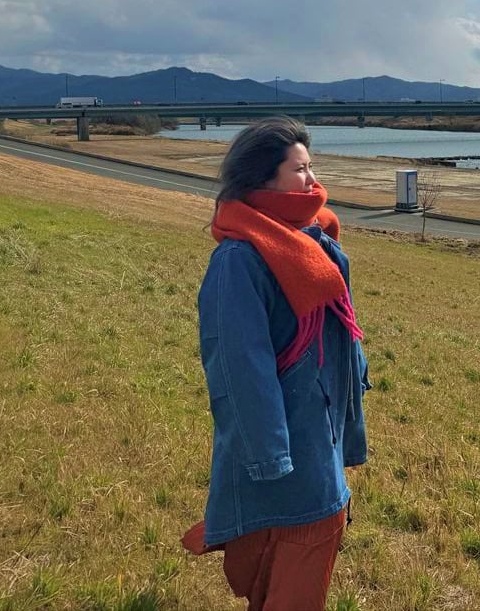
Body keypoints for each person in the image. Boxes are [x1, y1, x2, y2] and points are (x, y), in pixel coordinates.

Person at [182, 117, 370, 611]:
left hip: (322, 446)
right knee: (287, 582)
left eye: (312, 168)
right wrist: (269, 462)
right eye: (300, 170)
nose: (313, 182)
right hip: (288, 465)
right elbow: (240, 371)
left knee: (303, 571)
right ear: (263, 178)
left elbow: (342, 342)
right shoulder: (240, 261)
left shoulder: (317, 242)